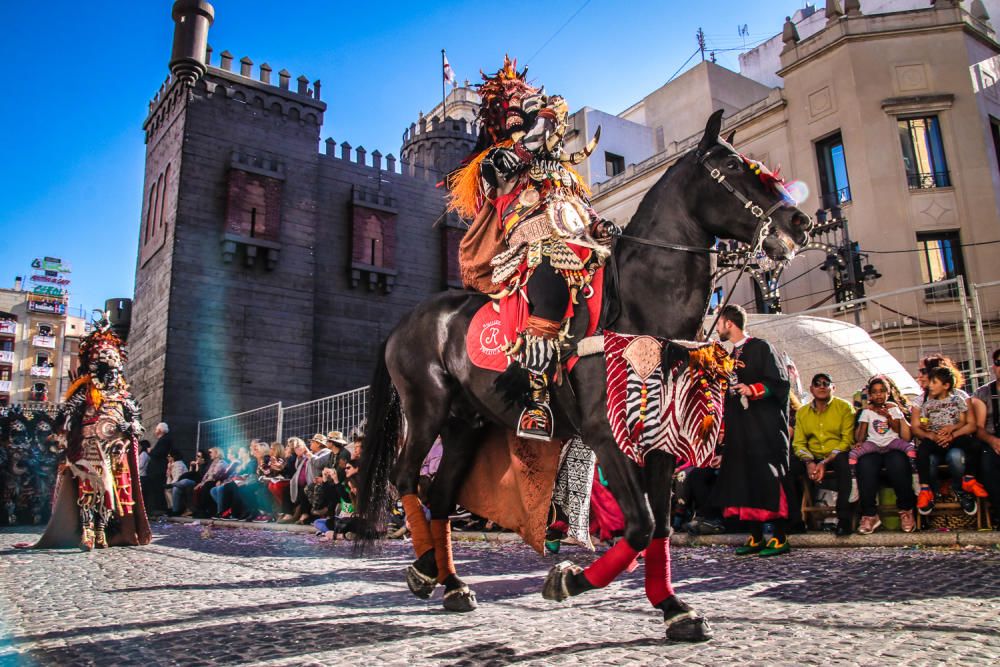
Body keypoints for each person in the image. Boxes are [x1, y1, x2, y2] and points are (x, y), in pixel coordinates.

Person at [446, 56, 615, 439]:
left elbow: (580, 208)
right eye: (519, 105)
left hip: (580, 240)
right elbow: (516, 159)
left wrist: (599, 225)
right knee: (549, 281)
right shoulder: (497, 160)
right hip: (531, 243)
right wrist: (545, 120)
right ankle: (536, 399)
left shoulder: (563, 172)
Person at [20, 315, 151, 550]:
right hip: (89, 449)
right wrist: (65, 438)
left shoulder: (125, 398)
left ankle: (104, 530)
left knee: (115, 492)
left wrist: (128, 427)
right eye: (106, 371)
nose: (111, 376)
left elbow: (138, 426)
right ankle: (88, 531)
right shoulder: (84, 393)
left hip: (116, 451)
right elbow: (66, 419)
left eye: (114, 372)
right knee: (90, 490)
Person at [712, 305, 794, 557]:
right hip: (741, 429)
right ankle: (756, 536)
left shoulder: (762, 347)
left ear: (729, 324)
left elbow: (780, 383)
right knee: (743, 480)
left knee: (767, 479)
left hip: (764, 428)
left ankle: (779, 537)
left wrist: (754, 389)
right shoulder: (728, 355)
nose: (716, 329)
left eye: (719, 323)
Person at [913, 365, 986, 516]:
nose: (929, 385)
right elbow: (922, 423)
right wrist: (930, 432)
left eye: (934, 382)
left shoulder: (958, 399)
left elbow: (964, 422)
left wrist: (951, 431)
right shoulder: (926, 403)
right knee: (922, 452)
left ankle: (968, 480)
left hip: (954, 436)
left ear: (946, 385)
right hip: (935, 437)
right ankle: (926, 490)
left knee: (974, 445)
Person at [791, 372, 856, 536]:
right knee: (786, 467)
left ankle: (844, 520)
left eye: (825, 383)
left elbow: (846, 441)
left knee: (845, 463)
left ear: (833, 388)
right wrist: (809, 462)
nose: (821, 387)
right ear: (811, 389)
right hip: (812, 456)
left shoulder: (844, 407)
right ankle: (795, 522)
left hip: (835, 454)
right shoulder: (802, 412)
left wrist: (824, 462)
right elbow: (798, 443)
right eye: (817, 383)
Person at [850, 375, 917, 534]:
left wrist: (894, 414)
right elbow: (859, 437)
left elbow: (906, 437)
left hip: (894, 446)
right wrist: (863, 411)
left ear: (889, 392)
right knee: (865, 465)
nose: (878, 395)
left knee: (898, 463)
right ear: (870, 394)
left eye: (882, 391)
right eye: (875, 392)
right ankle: (869, 515)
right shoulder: (866, 411)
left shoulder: (895, 409)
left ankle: (906, 511)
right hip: (873, 448)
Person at [972, 348, 1000, 527]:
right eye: (998, 363)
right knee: (988, 466)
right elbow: (978, 428)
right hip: (991, 439)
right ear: (993, 367)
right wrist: (993, 441)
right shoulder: (983, 393)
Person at [192, 447, 229, 517]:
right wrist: (201, 483)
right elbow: (206, 475)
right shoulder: (213, 463)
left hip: (218, 482)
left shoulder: (221, 463)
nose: (209, 454)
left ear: (217, 454)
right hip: (211, 481)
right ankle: (199, 510)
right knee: (200, 486)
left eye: (211, 452)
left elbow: (214, 476)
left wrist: (203, 483)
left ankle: (204, 510)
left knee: (207, 485)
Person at [170, 449, 208, 516]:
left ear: (203, 459)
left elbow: (199, 476)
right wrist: (191, 466)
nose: (196, 457)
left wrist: (197, 466)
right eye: (196, 456)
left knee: (185, 481)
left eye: (198, 456)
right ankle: (175, 511)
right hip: (190, 482)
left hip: (197, 483)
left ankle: (171, 485)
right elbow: (189, 474)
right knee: (176, 488)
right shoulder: (195, 465)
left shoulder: (205, 466)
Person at [145, 423, 171, 514]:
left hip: (158, 469)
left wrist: (150, 451)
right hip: (157, 469)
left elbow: (159, 453)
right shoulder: (163, 440)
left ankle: (159, 509)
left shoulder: (164, 440)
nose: (155, 431)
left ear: (160, 430)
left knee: (157, 489)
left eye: (156, 429)